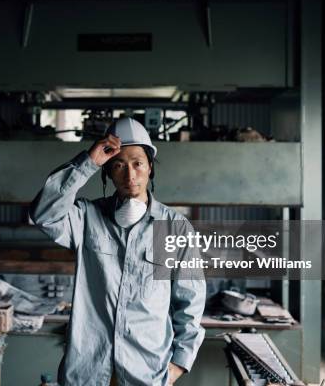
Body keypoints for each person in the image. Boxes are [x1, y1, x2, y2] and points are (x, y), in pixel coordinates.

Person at [30, 117, 205, 385]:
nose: (130, 175)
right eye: (119, 165)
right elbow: (44, 215)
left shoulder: (174, 228)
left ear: (150, 169)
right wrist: (87, 162)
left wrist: (177, 366)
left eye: (138, 164)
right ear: (108, 172)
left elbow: (190, 302)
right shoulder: (87, 217)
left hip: (147, 373)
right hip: (87, 372)